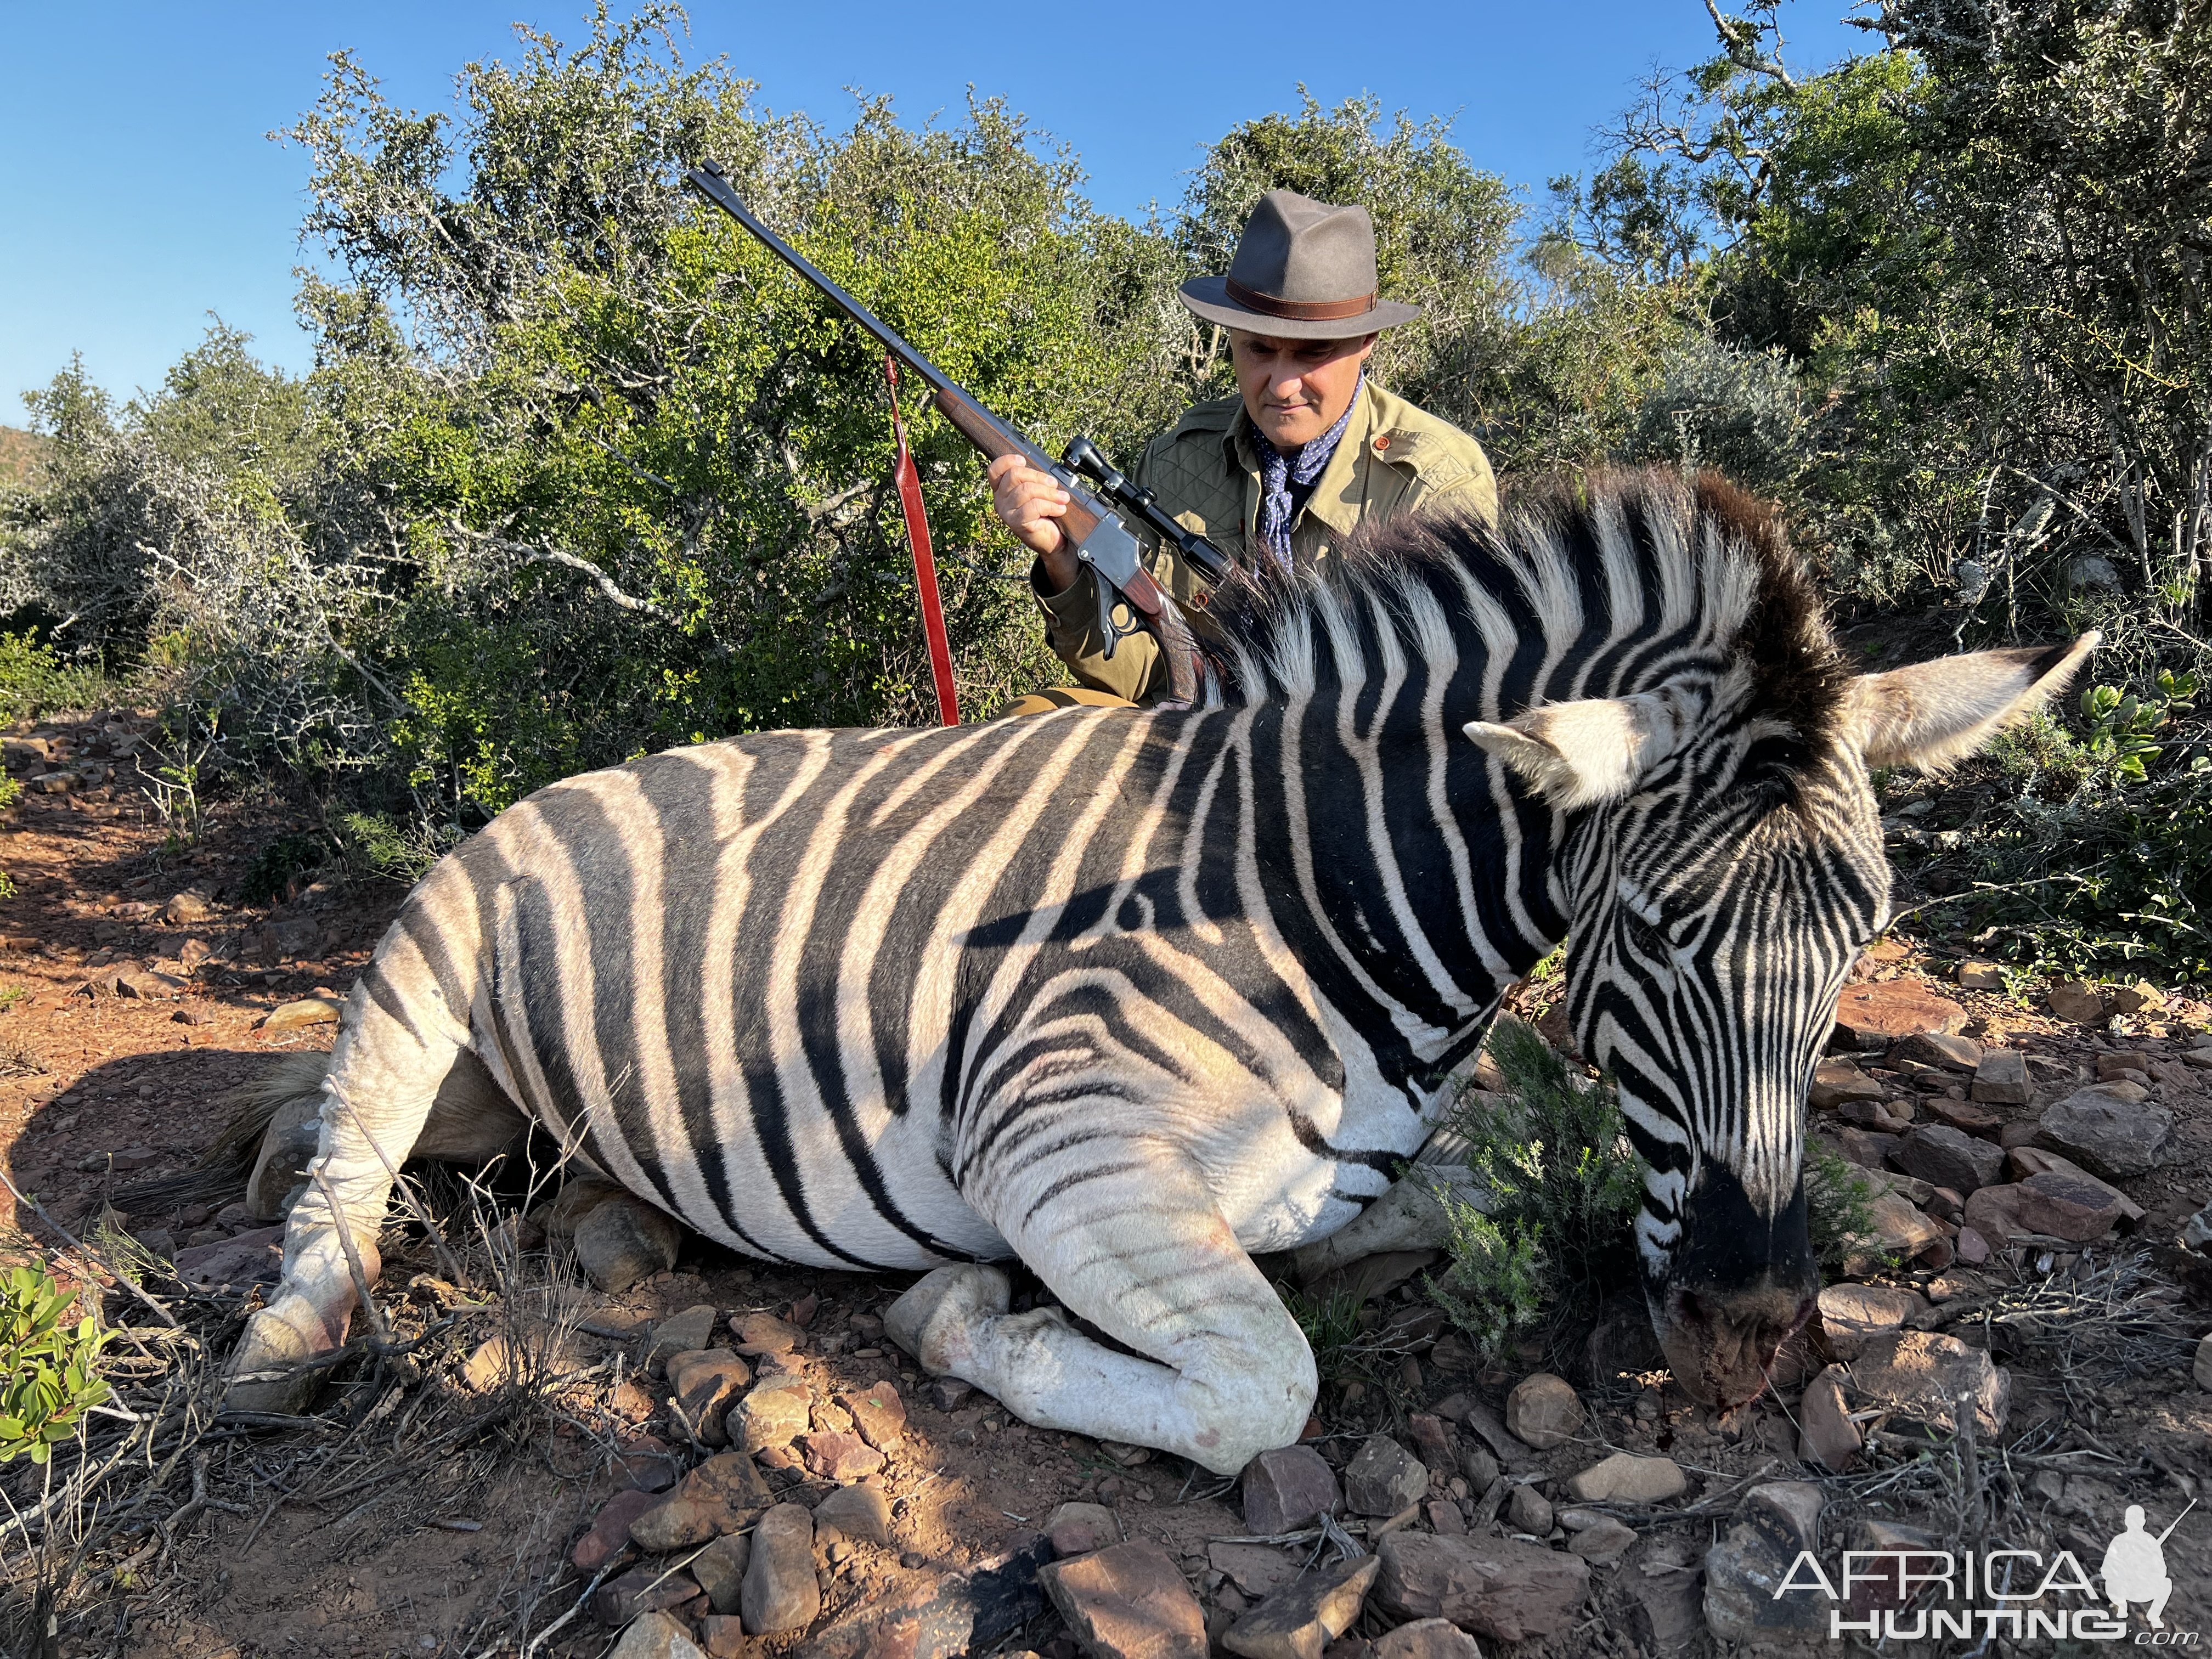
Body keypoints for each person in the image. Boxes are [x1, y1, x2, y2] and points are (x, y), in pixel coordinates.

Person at [989, 188, 1499, 707]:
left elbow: (1445, 701)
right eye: (1259, 349)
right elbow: (1141, 676)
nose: (1281, 385)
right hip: (1199, 744)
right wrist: (1062, 561)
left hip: (1354, 759)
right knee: (1034, 717)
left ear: (1365, 343)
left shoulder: (1437, 480)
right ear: (1231, 334)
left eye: (1313, 353)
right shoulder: (1177, 458)